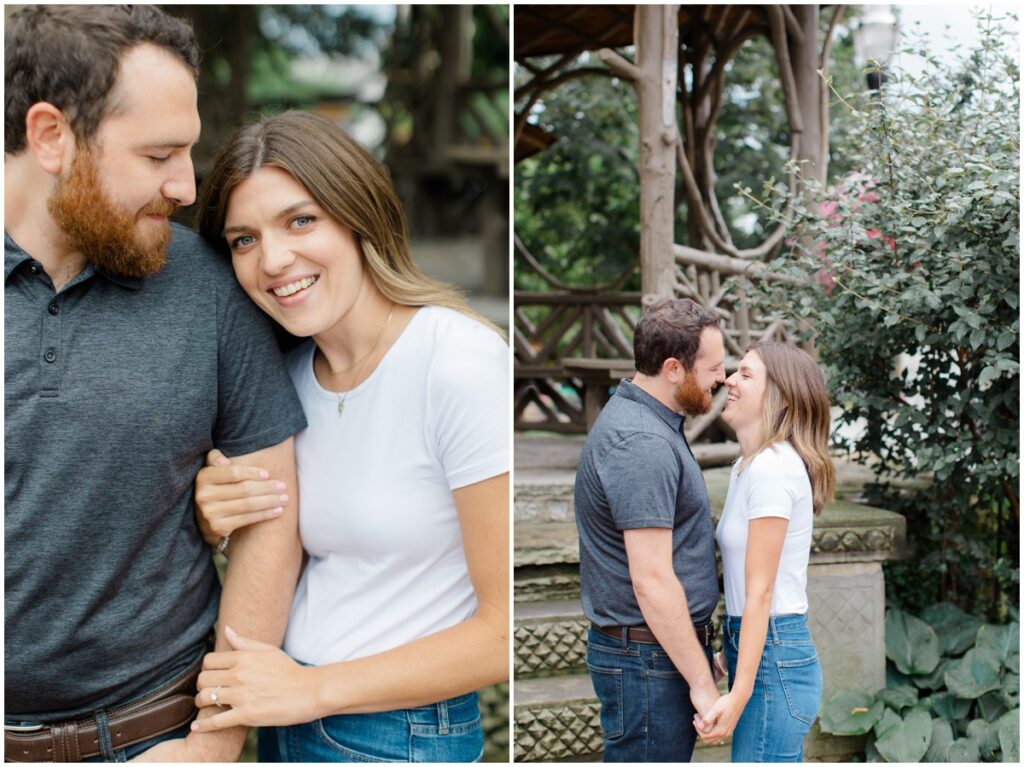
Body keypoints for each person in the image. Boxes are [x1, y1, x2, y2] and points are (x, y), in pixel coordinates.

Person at [4, 5, 307, 763]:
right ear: (51, 137)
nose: (184, 184)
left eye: (189, 152)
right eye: (159, 154)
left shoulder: (210, 286)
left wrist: (214, 741)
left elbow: (273, 516)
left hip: (158, 734)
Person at [184, 110, 510, 762]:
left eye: (301, 220)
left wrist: (312, 690)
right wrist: (213, 517)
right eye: (243, 240)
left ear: (359, 215)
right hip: (287, 717)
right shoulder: (286, 375)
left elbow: (500, 634)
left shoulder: (458, 362)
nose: (274, 259)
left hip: (397, 733)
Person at [573, 298, 725, 762]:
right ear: (674, 368)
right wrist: (701, 682)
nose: (722, 379)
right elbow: (652, 579)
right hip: (646, 663)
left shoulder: (652, 422)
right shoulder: (642, 442)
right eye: (713, 368)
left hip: (655, 656)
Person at [696, 341, 835, 761]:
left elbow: (761, 592)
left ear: (781, 397)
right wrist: (726, 656)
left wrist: (738, 696)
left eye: (746, 375)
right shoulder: (749, 466)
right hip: (760, 649)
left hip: (775, 660)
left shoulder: (774, 466)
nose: (729, 380)